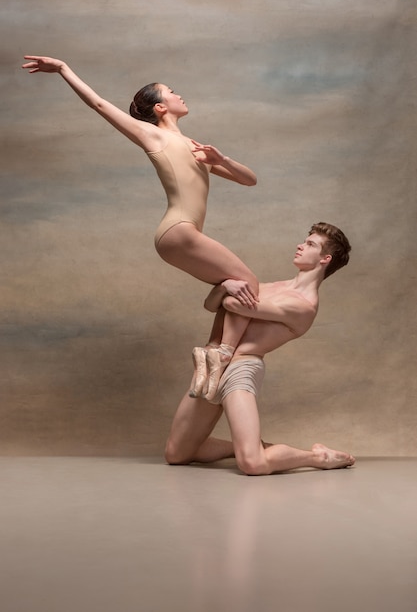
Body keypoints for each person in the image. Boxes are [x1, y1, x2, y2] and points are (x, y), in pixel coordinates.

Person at [21, 55, 259, 310]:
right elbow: (99, 105)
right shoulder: (153, 136)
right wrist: (62, 68)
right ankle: (221, 346)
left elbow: (249, 180)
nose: (179, 95)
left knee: (238, 286)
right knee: (250, 282)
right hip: (179, 230)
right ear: (160, 107)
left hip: (177, 236)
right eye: (171, 92)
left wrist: (222, 159)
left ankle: (217, 343)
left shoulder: (196, 148)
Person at [165, 222, 355, 475]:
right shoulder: (268, 286)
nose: (300, 245)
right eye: (304, 240)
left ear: (325, 259)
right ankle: (252, 446)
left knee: (253, 464)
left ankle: (318, 457)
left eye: (310, 244)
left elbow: (234, 306)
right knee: (177, 454)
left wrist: (233, 288)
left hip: (240, 368)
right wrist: (224, 286)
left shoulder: (304, 306)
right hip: (212, 365)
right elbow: (212, 305)